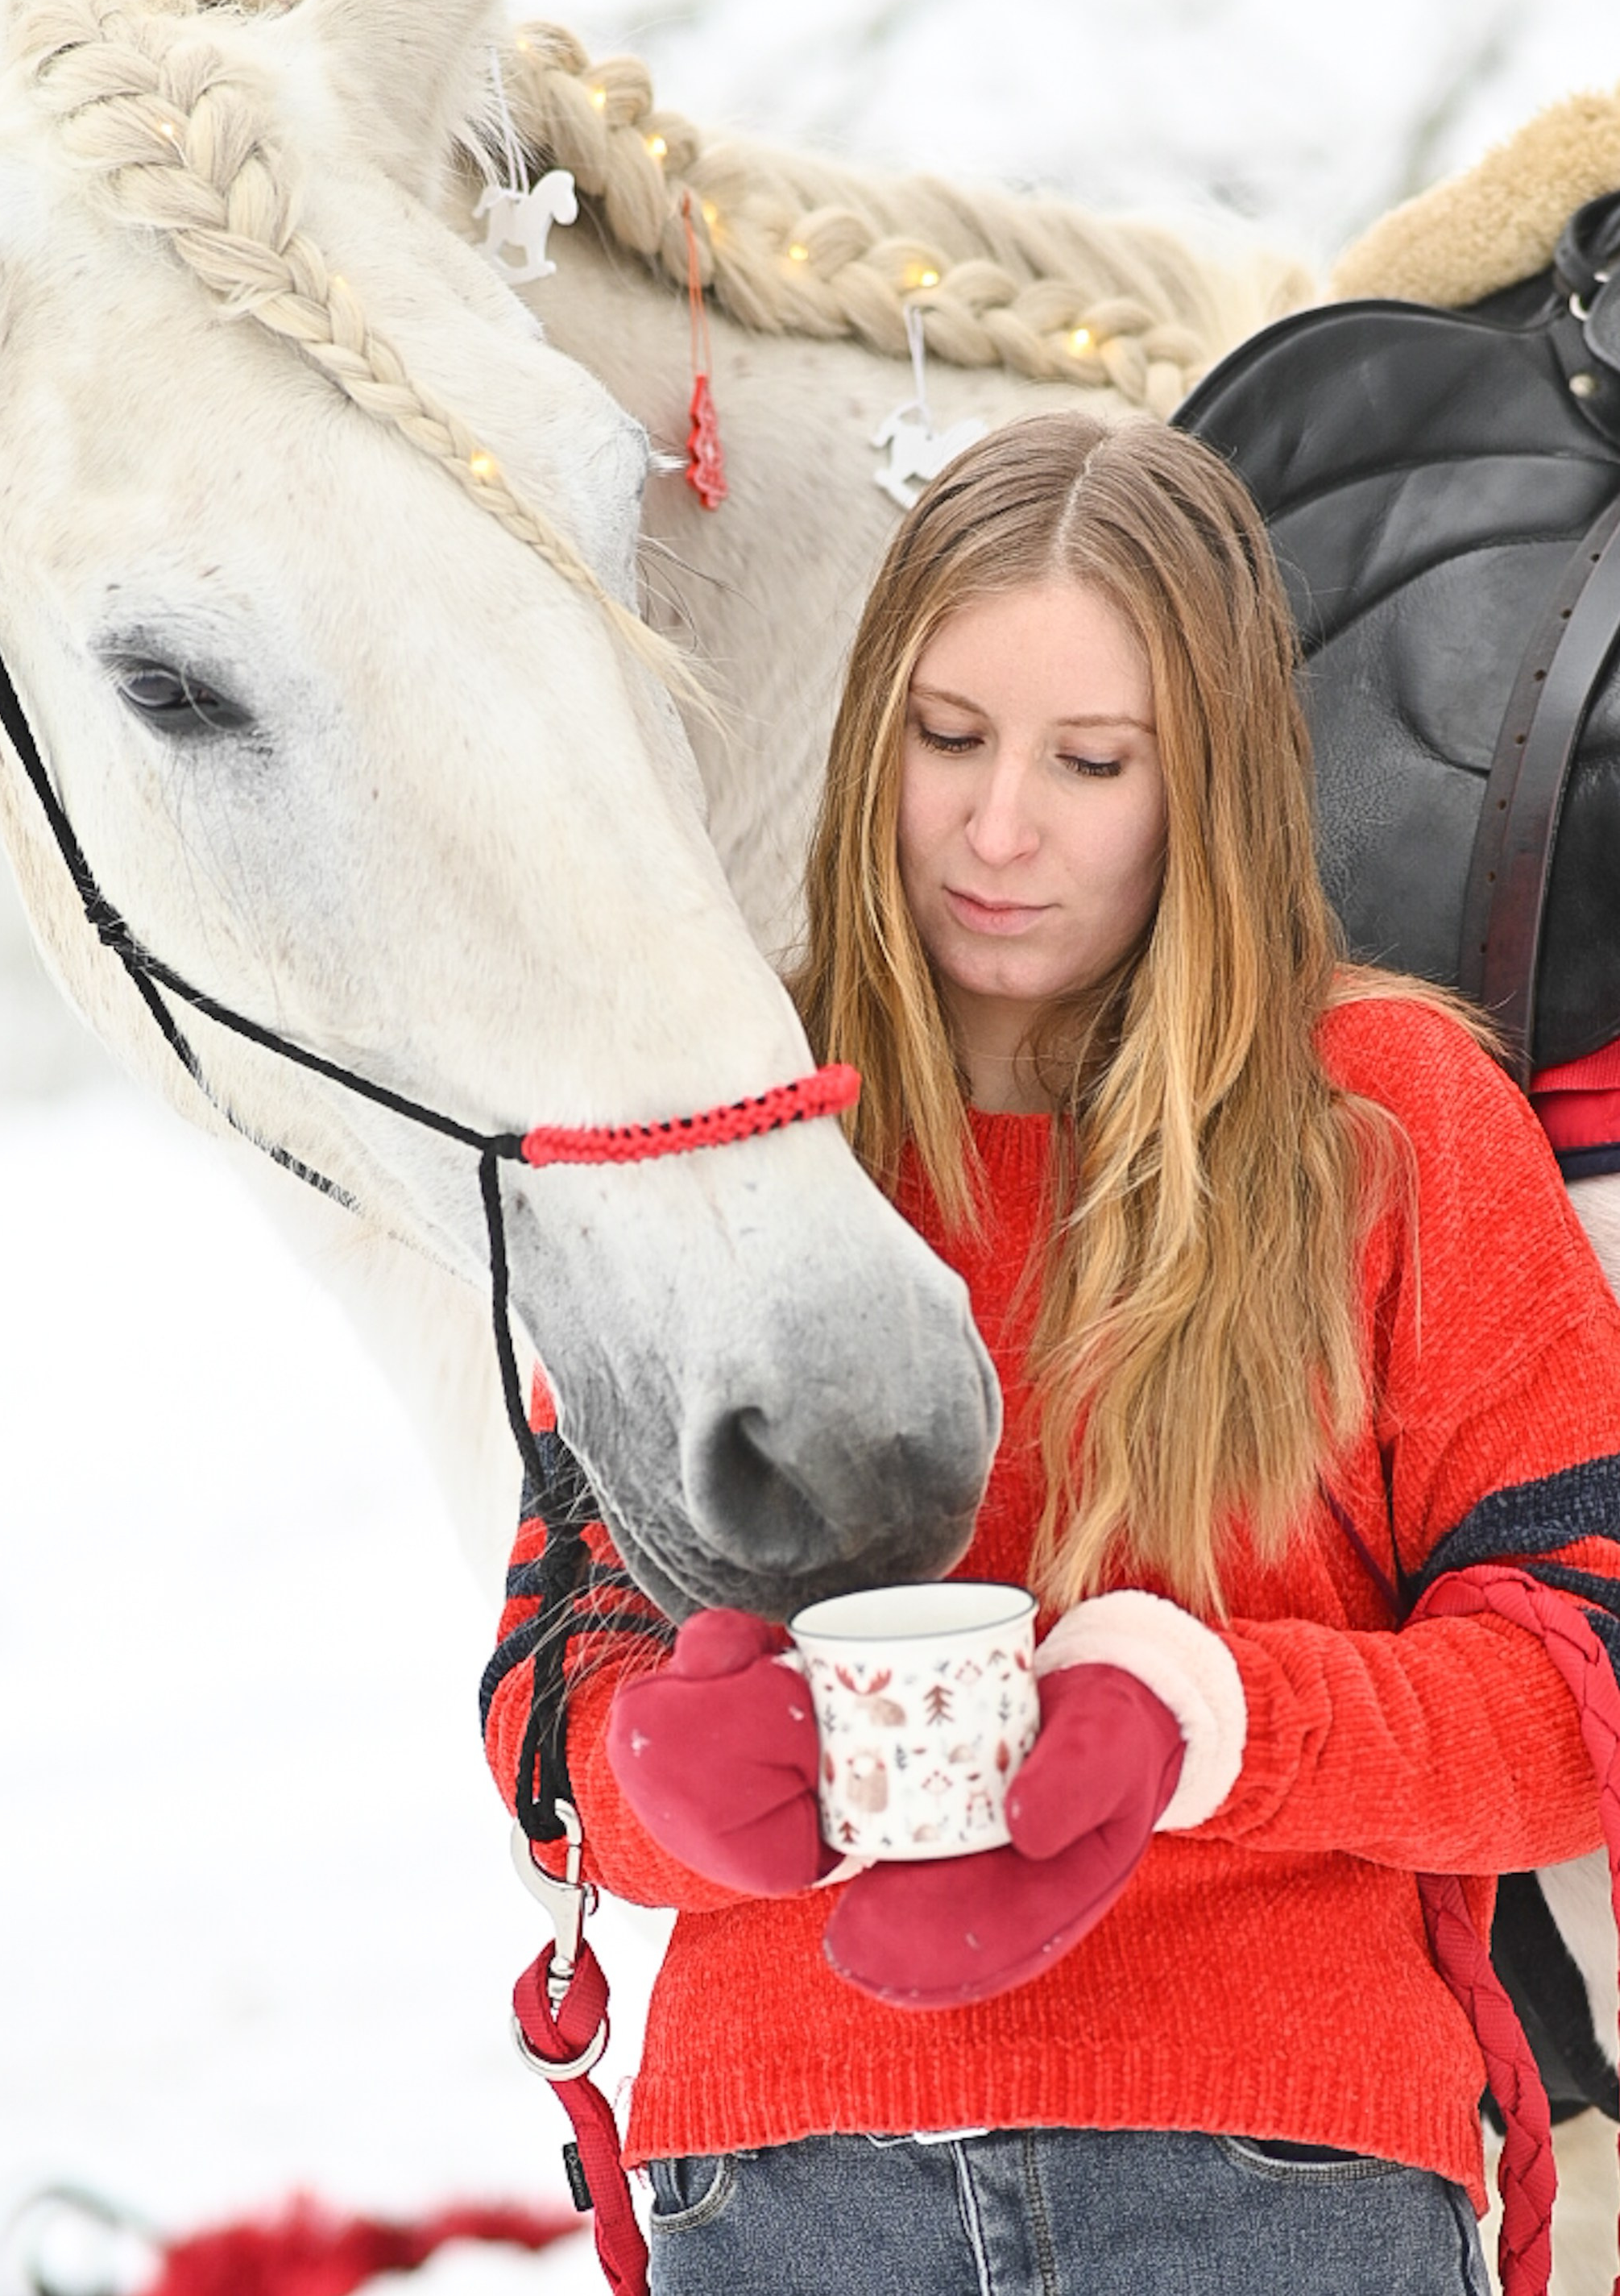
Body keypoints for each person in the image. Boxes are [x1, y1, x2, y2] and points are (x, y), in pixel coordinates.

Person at [483, 411, 1620, 2295]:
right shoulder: (731, 1135)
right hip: (779, 2188)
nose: (999, 827)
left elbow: (1583, 1680)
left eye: (1092, 762)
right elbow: (549, 1682)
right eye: (946, 739)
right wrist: (653, 1765)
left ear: (1216, 788)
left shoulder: (1391, 1118)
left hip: (1276, 2183)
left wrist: (1218, 1718)